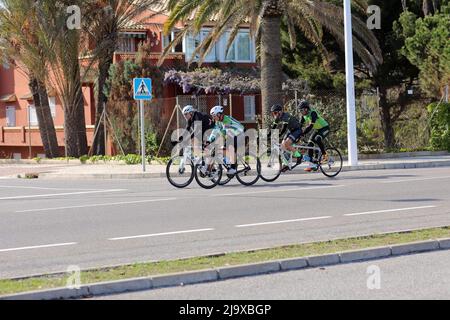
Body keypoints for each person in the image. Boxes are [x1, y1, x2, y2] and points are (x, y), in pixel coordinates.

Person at [205, 105, 245, 175]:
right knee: (220, 147)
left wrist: (222, 144)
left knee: (229, 146)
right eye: (212, 116)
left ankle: (233, 168)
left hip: (239, 134)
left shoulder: (226, 120)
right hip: (231, 135)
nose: (213, 118)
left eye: (214, 116)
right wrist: (209, 140)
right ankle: (228, 162)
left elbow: (227, 134)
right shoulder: (218, 122)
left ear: (219, 114)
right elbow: (215, 131)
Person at [298, 100, 330, 172]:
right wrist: (297, 134)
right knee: (310, 144)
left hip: (325, 128)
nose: (301, 112)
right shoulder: (303, 116)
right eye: (300, 110)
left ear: (306, 109)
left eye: (302, 110)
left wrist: (303, 133)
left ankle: (325, 155)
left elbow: (310, 126)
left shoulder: (313, 113)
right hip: (317, 129)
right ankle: (312, 164)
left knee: (317, 139)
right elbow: (299, 126)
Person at [269, 104, 303, 170]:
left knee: (287, 143)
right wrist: (268, 135)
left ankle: (299, 156)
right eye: (273, 113)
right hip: (290, 130)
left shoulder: (285, 116)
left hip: (297, 130)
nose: (274, 114)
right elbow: (274, 127)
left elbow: (284, 128)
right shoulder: (277, 117)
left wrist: (279, 135)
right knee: (282, 146)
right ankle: (286, 164)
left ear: (280, 112)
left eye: (275, 112)